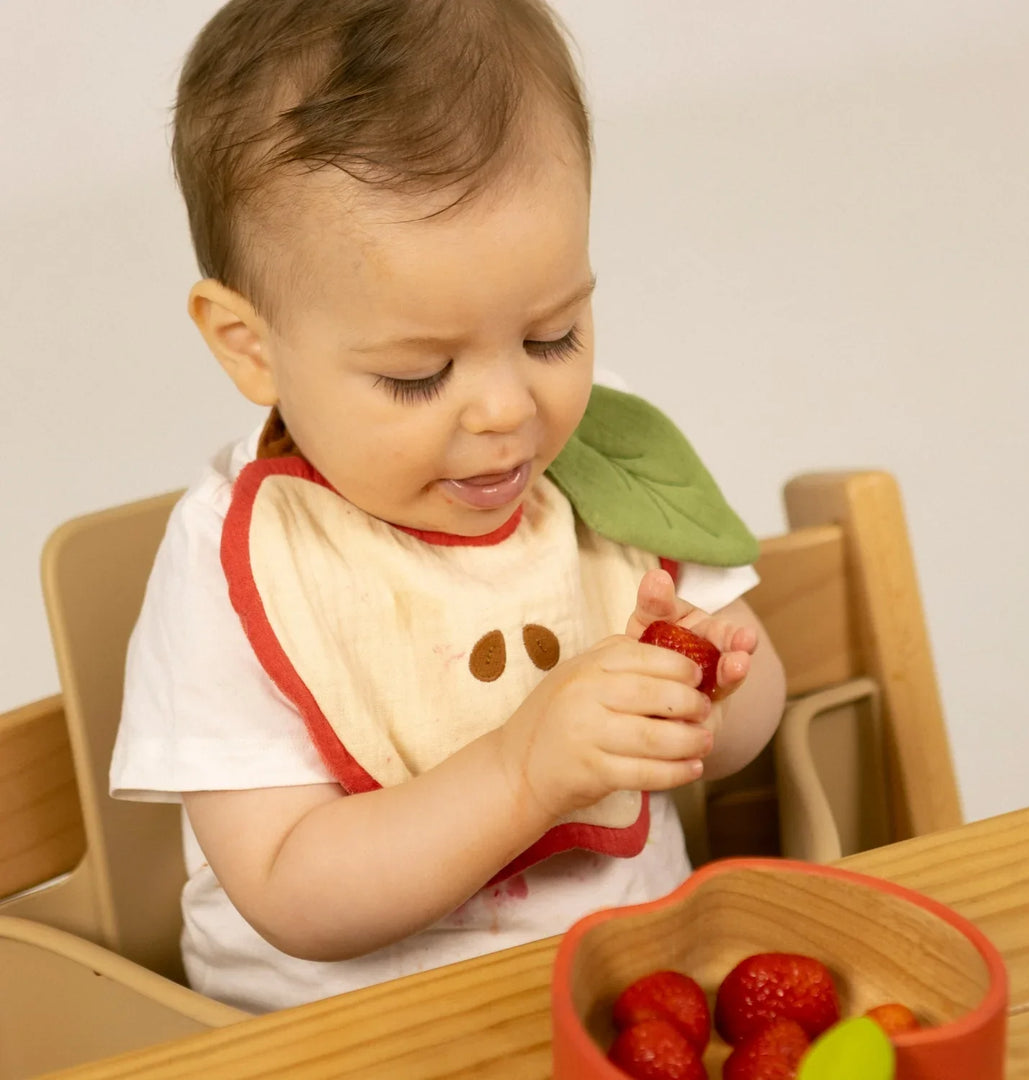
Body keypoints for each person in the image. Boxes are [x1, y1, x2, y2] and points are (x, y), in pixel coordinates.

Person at [110, 0, 787, 1014]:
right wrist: (525, 769)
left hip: (627, 997)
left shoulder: (602, 464)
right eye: (421, 375)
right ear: (251, 346)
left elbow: (756, 700)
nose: (509, 410)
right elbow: (292, 889)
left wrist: (705, 698)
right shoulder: (234, 556)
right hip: (337, 1044)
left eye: (553, 336)